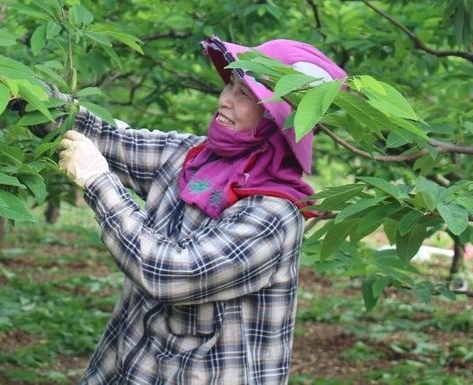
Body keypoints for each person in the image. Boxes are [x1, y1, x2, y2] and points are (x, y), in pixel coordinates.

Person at [53, 35, 347, 384]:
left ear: (276, 118)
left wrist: (99, 183)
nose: (224, 100)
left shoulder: (273, 215)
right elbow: (104, 136)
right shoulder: (189, 157)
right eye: (230, 86)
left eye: (244, 95)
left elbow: (171, 274)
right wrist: (15, 87)